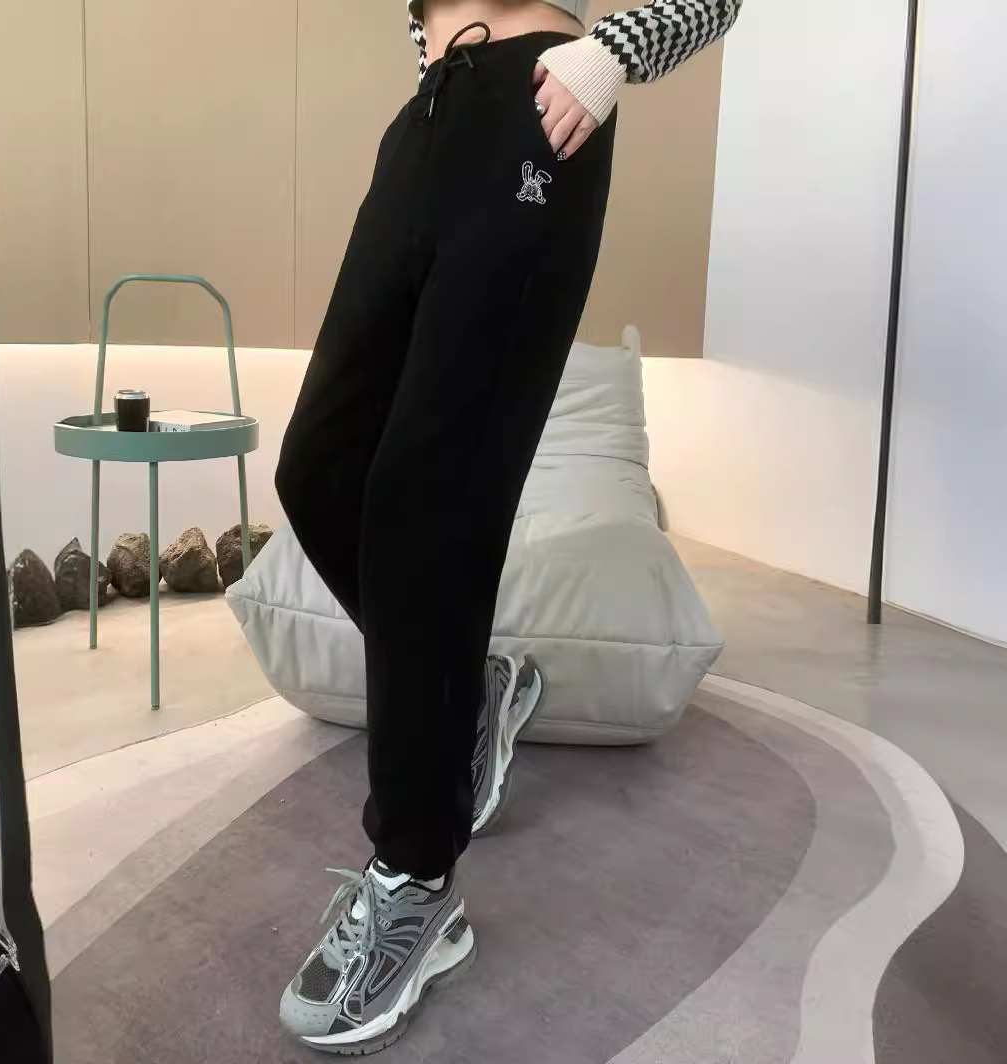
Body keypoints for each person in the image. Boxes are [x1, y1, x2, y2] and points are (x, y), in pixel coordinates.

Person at [274, 0, 742, 1053]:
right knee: (318, 467)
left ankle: (416, 883)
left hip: (543, 100)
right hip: (426, 122)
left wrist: (612, 53)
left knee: (427, 500)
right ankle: (470, 686)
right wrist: (430, 66)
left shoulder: (573, 72)